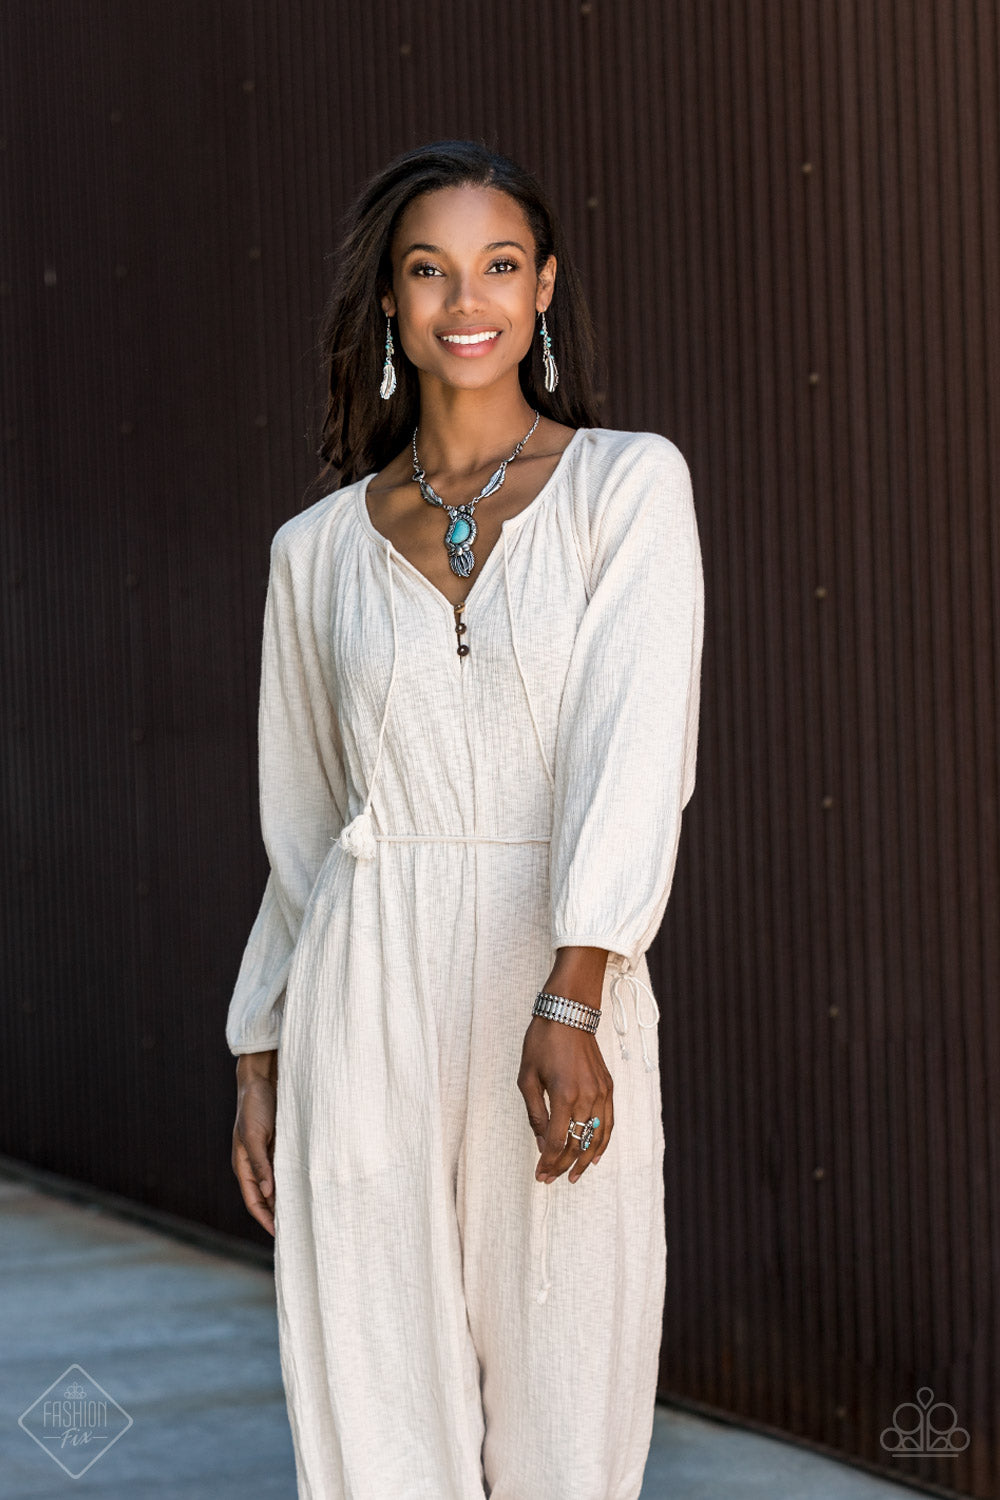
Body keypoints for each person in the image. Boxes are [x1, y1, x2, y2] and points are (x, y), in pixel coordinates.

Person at [226, 138, 705, 1500]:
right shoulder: (312, 553)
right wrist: (260, 1045)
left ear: (545, 287)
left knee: (570, 1384)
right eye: (429, 270)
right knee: (376, 1396)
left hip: (550, 970)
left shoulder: (630, 489)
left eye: (499, 265)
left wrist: (576, 992)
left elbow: (633, 746)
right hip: (363, 983)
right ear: (389, 301)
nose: (466, 300)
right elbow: (309, 826)